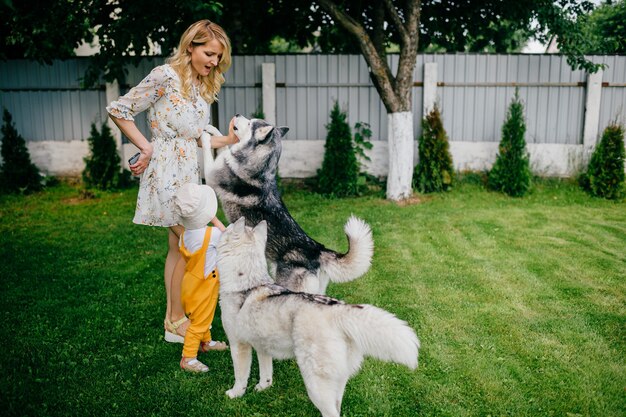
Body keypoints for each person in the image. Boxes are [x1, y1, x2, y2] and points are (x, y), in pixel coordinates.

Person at [106, 20, 238, 343]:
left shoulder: (199, 87)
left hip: (187, 177)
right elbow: (119, 109)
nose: (213, 62)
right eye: (209, 53)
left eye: (218, 57)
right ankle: (185, 322)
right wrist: (146, 146)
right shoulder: (165, 77)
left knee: (178, 249)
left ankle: (174, 322)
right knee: (196, 242)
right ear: (190, 46)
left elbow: (193, 139)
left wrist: (230, 140)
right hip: (164, 175)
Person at [172, 183, 228, 372]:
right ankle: (188, 358)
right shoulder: (212, 234)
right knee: (198, 323)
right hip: (204, 286)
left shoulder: (185, 235)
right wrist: (214, 219)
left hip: (191, 285)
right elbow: (227, 234)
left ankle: (207, 342)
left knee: (204, 316)